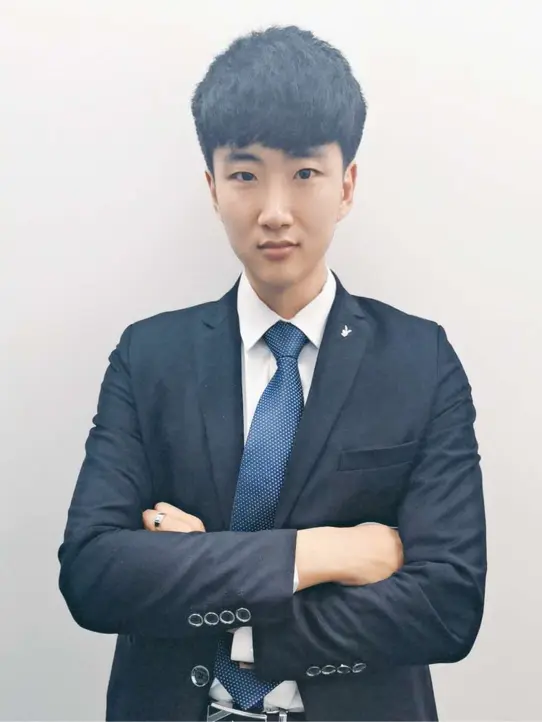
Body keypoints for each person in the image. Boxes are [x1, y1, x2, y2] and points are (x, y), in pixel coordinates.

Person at [58, 25, 486, 722]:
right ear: (212, 186)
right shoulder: (149, 357)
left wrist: (214, 586)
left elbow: (448, 607)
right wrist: (325, 553)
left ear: (346, 185)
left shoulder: (420, 359)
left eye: (305, 174)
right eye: (246, 175)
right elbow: (93, 575)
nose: (275, 211)